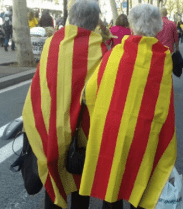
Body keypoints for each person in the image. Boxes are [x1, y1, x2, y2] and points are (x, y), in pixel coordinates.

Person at [79, 4, 176, 209]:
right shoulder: (163, 57)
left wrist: (99, 115)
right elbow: (164, 102)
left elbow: (91, 91)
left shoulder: (116, 53)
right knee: (139, 180)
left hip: (112, 127)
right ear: (158, 28)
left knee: (112, 185)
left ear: (132, 26)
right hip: (144, 130)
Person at [22, 1, 109, 208]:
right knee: (80, 186)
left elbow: (39, 86)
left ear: (71, 17)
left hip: (50, 126)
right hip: (82, 135)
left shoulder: (53, 43)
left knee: (53, 180)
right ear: (96, 21)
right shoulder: (100, 49)